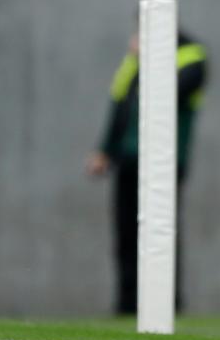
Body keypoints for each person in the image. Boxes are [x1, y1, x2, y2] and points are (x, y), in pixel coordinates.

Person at [86, 27, 208, 315]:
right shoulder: (133, 62)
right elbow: (119, 106)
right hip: (128, 159)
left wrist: (150, 59)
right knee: (126, 233)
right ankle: (127, 304)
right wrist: (104, 149)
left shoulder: (192, 57)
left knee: (161, 231)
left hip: (166, 162)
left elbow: (168, 96)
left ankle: (168, 304)